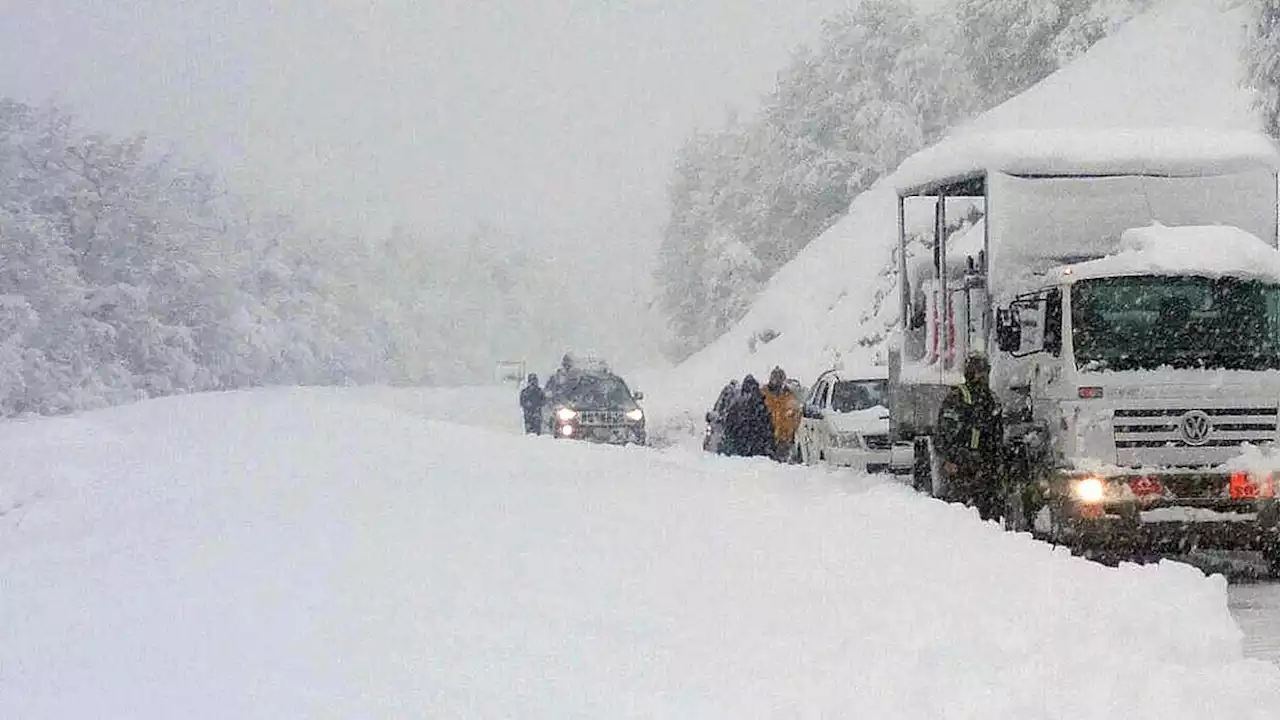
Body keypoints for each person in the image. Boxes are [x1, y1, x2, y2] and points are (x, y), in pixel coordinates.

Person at [935, 353, 1004, 520]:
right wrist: (948, 459)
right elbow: (944, 431)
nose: (983, 376)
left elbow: (997, 431)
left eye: (985, 372)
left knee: (988, 514)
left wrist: (997, 460)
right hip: (961, 464)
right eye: (979, 371)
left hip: (986, 466)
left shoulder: (991, 398)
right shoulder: (958, 396)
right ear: (970, 373)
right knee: (960, 512)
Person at [722, 374, 775, 457]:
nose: (749, 395)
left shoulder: (761, 408)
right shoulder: (736, 407)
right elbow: (729, 429)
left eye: (751, 391)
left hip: (757, 452)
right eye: (747, 391)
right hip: (740, 451)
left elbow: (768, 430)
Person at [762, 366, 803, 462]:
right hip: (766, 438)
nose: (777, 381)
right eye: (775, 378)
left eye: (780, 378)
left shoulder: (790, 396)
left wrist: (792, 433)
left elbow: (797, 417)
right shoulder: (763, 394)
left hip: (784, 440)